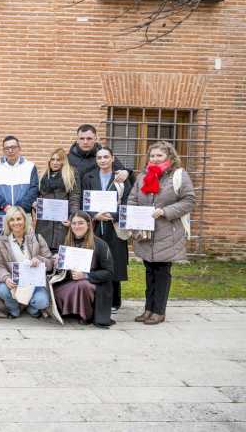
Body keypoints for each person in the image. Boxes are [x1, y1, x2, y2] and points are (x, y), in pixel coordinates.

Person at [127, 140, 195, 325]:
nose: (155, 159)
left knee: (162, 272)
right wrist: (134, 220)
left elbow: (189, 200)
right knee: (149, 271)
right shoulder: (143, 176)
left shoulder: (179, 175)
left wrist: (165, 211)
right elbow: (133, 199)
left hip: (167, 232)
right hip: (145, 233)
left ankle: (159, 311)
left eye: (160, 155)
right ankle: (148, 309)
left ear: (169, 157)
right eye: (152, 155)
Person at [82, 146, 132, 312]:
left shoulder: (121, 178)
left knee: (115, 261)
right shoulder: (89, 177)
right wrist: (94, 215)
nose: (102, 160)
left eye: (105, 157)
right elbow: (84, 199)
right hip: (95, 225)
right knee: (96, 260)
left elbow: (128, 201)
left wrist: (115, 215)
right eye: (99, 158)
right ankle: (96, 298)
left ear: (112, 158)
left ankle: (114, 301)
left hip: (114, 226)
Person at [49, 211, 115, 328]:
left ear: (88, 224)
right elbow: (62, 272)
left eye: (80, 223)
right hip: (69, 280)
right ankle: (72, 312)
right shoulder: (67, 242)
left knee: (82, 285)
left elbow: (109, 273)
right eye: (74, 223)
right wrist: (58, 262)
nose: (77, 226)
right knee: (51, 288)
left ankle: (86, 315)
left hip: (94, 282)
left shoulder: (100, 244)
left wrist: (86, 275)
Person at [0, 206, 53, 318]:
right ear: (8, 223)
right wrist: (6, 278)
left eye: (19, 219)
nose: (16, 223)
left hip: (34, 284)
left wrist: (39, 259)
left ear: (24, 220)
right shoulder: (2, 242)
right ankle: (15, 309)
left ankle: (31, 308)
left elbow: (50, 263)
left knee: (42, 301)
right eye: (12, 220)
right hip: (13, 283)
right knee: (2, 289)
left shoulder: (37, 238)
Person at [35, 148, 81, 252]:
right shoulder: (43, 175)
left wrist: (72, 217)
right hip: (44, 222)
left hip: (62, 222)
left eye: (58, 160)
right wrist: (36, 203)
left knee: (61, 252)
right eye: (53, 159)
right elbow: (38, 195)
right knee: (43, 251)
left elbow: (75, 197)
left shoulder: (71, 174)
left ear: (63, 161)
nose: (55, 162)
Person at [0, 135, 39, 215]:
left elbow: (33, 190)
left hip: (23, 214)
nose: (10, 150)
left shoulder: (30, 166)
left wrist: (19, 208)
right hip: (2, 213)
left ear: (19, 148)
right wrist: (5, 206)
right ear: (3, 150)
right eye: (7, 148)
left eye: (13, 147)